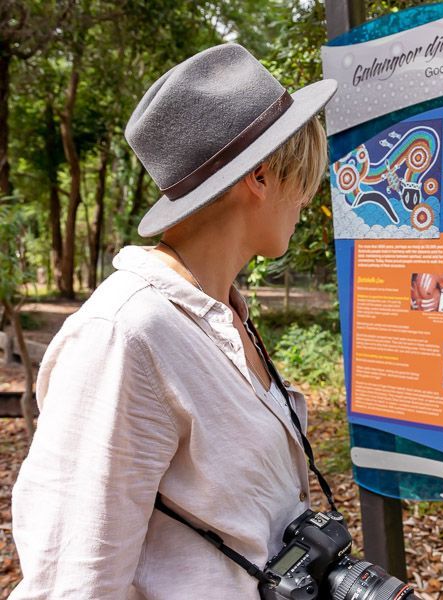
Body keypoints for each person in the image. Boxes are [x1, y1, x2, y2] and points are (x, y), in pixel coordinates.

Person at [11, 44, 336, 598]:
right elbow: (75, 578)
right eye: (301, 175)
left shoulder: (220, 312)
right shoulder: (126, 335)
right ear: (260, 176)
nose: (307, 197)